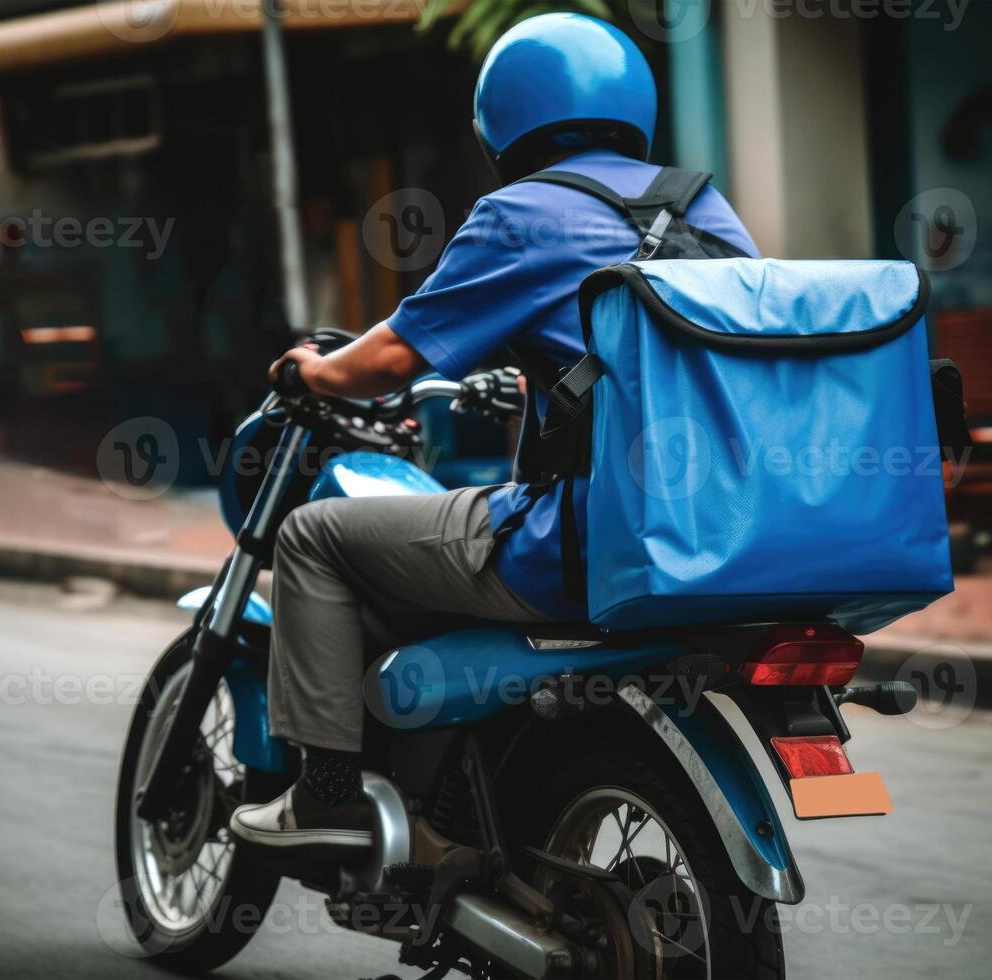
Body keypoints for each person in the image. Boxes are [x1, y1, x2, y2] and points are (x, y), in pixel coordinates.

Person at [230, 13, 758, 850]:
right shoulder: (703, 207)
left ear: (501, 120)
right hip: (722, 535)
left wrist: (312, 371)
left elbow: (395, 354)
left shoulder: (520, 213)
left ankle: (324, 794)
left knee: (313, 536)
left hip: (582, 543)